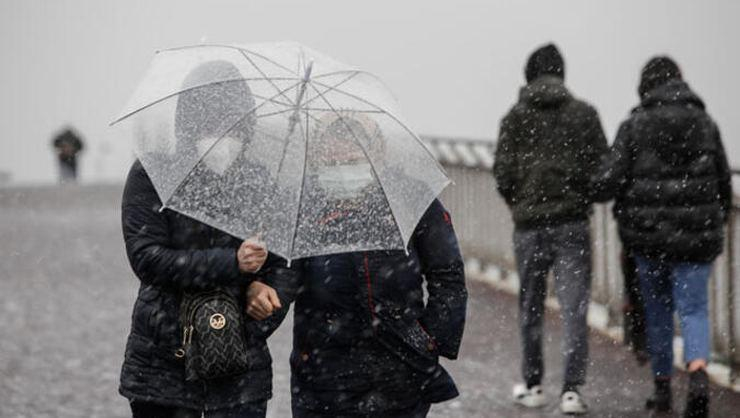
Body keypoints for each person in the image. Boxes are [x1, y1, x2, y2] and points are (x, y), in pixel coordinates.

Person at [248, 114, 468, 417]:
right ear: (317, 156)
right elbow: (286, 273)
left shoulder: (410, 197)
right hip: (321, 371)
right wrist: (263, 298)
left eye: (353, 159)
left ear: (377, 152)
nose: (342, 170)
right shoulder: (302, 203)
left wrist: (430, 340)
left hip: (399, 368)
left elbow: (448, 276)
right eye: (333, 162)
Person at [119, 60, 295, 418]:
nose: (221, 132)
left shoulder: (263, 182)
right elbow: (147, 257)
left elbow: (286, 264)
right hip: (163, 360)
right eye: (209, 119)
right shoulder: (154, 173)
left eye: (231, 119)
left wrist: (263, 301)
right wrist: (230, 263)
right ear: (188, 119)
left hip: (239, 362)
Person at [591, 56, 732, 418]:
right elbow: (723, 182)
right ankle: (698, 372)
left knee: (657, 313)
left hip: (647, 239)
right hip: (696, 239)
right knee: (695, 309)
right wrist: (715, 219)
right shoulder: (704, 123)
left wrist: (589, 184)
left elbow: (610, 180)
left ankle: (663, 389)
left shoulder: (634, 125)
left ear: (646, 86)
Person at [492, 43, 607, 414]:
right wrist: (579, 193)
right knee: (574, 308)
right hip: (572, 223)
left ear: (528, 75)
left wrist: (522, 202)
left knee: (531, 306)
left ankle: (533, 383)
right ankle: (571, 391)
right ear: (562, 73)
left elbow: (503, 174)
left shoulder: (514, 117)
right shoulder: (584, 115)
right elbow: (601, 168)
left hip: (529, 227)